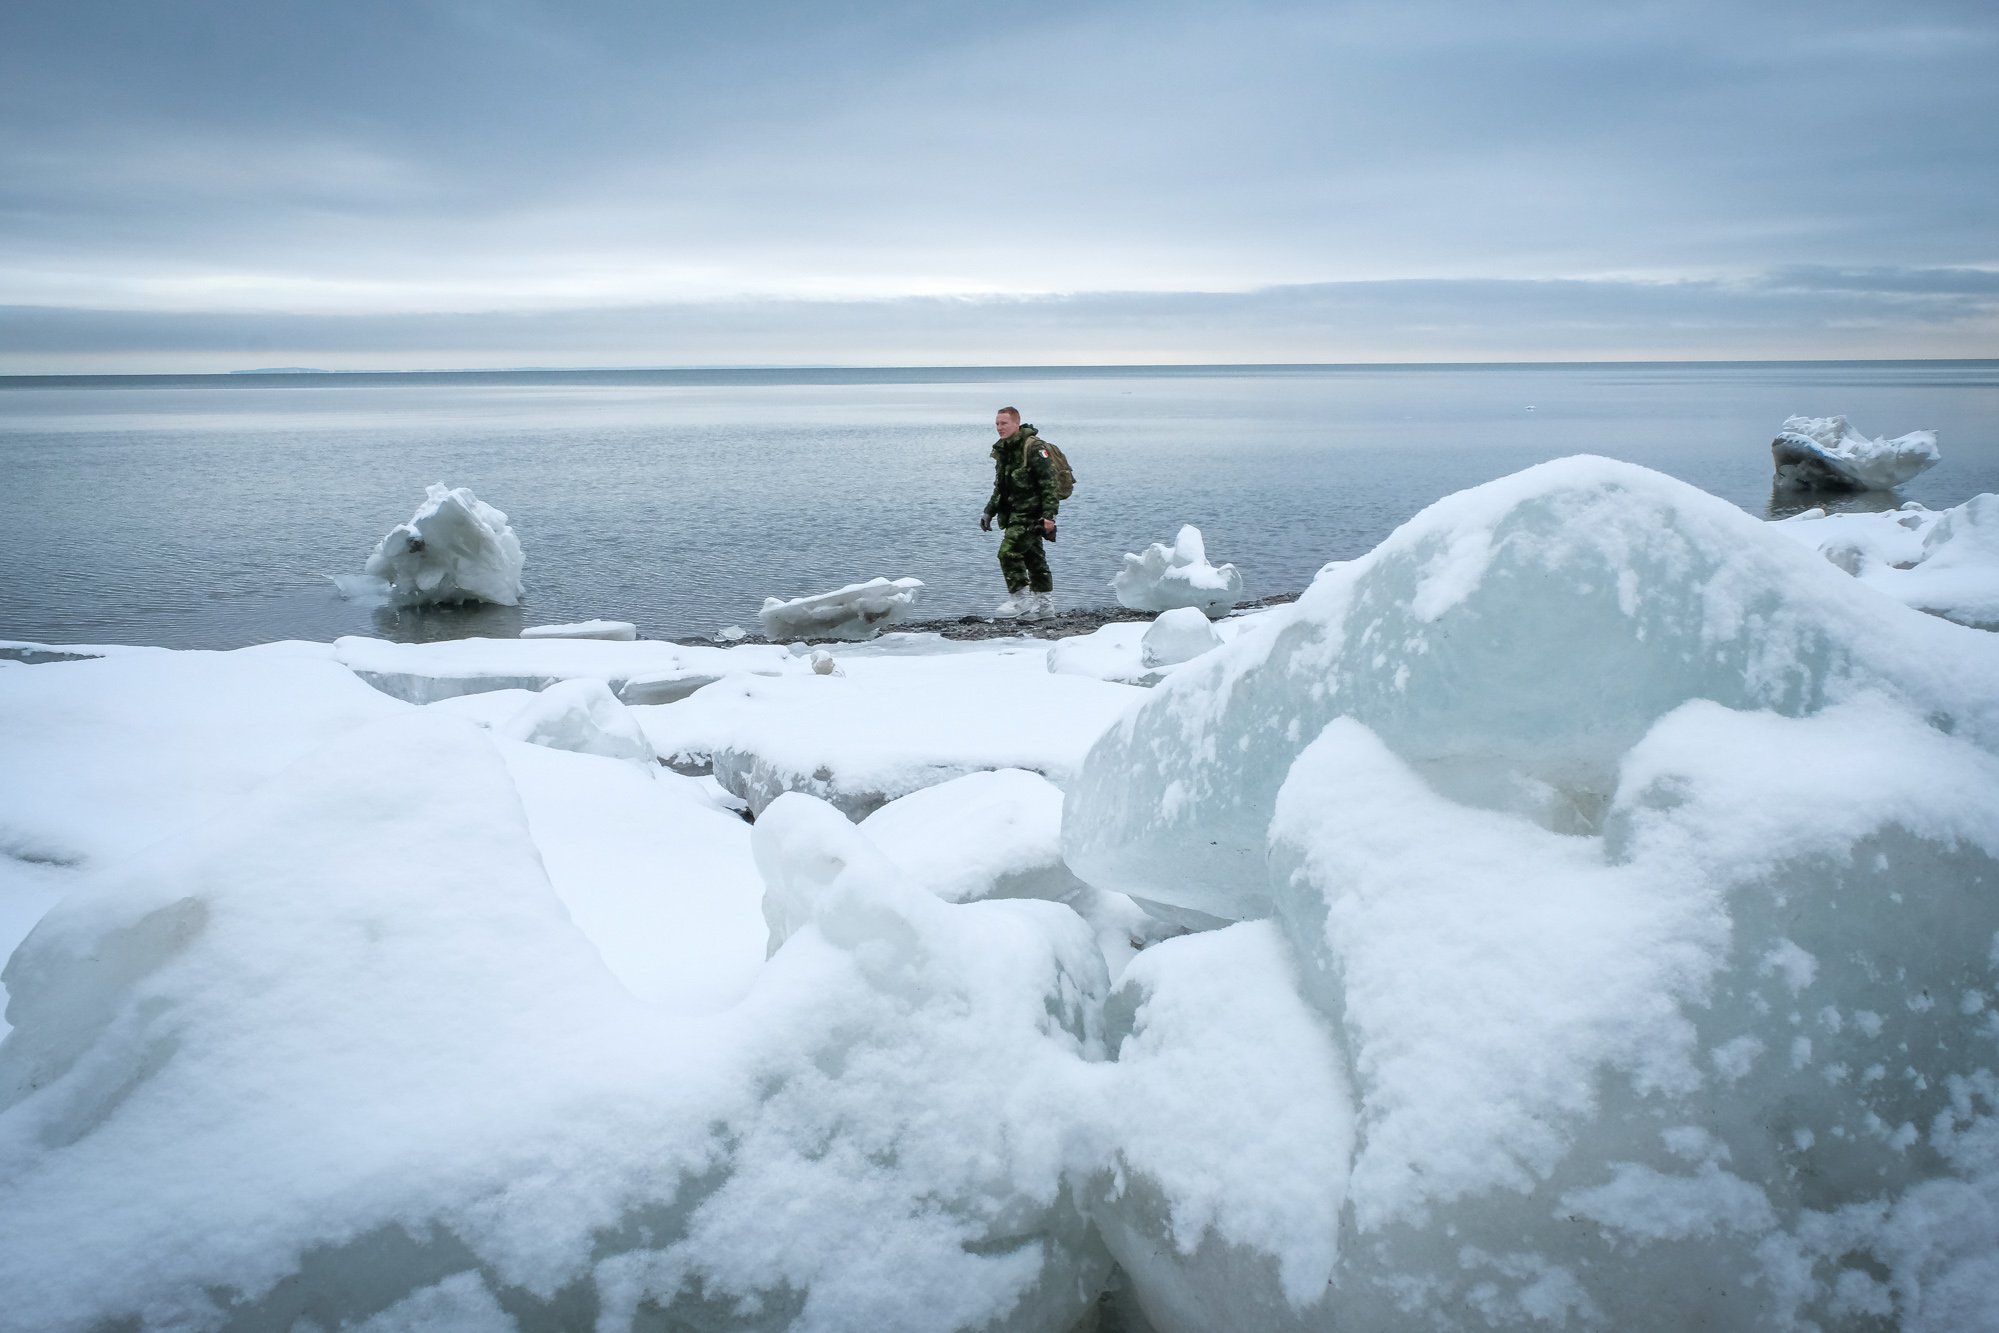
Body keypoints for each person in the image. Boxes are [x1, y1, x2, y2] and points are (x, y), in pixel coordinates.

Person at [978, 407, 1060, 619]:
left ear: (1016, 423)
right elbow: (1001, 487)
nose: (999, 428)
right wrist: (989, 512)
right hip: (1013, 514)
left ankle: (1020, 600)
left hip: (1031, 515)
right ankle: (1044, 606)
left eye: (1004, 423)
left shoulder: (1034, 448)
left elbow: (1050, 485)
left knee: (1008, 553)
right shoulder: (1004, 449)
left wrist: (1049, 517)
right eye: (997, 424)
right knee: (1034, 559)